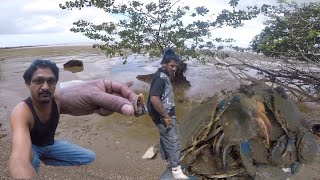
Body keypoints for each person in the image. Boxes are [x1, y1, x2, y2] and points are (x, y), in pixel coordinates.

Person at [8, 59, 138, 179]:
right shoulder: (21, 112)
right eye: (38, 81)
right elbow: (19, 159)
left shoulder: (57, 100)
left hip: (49, 145)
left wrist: (106, 98)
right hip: (31, 147)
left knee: (88, 157)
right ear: (27, 83)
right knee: (30, 161)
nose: (46, 87)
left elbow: (76, 88)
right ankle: (36, 160)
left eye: (51, 81)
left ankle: (46, 158)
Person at [147, 48, 188, 179]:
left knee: (165, 137)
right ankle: (176, 171)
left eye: (176, 66)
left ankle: (166, 157)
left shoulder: (163, 75)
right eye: (172, 66)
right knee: (174, 141)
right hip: (163, 116)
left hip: (163, 115)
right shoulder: (160, 77)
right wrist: (166, 116)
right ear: (164, 63)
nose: (174, 69)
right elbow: (154, 98)